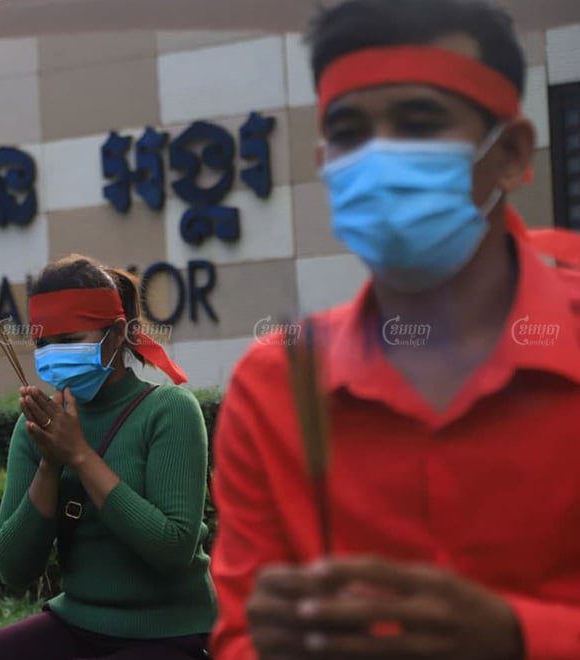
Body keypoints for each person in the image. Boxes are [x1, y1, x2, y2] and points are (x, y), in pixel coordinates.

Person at [210, 1, 580, 659]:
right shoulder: (273, 387)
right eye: (349, 133)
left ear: (511, 153)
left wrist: (519, 639)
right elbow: (238, 635)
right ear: (325, 160)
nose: (379, 158)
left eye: (420, 123)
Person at [0, 254, 216, 659]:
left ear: (116, 334)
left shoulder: (170, 411)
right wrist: (50, 463)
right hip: (77, 623)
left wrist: (79, 455)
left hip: (169, 632)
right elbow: (13, 569)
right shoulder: (37, 427)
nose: (53, 354)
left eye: (69, 340)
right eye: (43, 344)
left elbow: (172, 550)